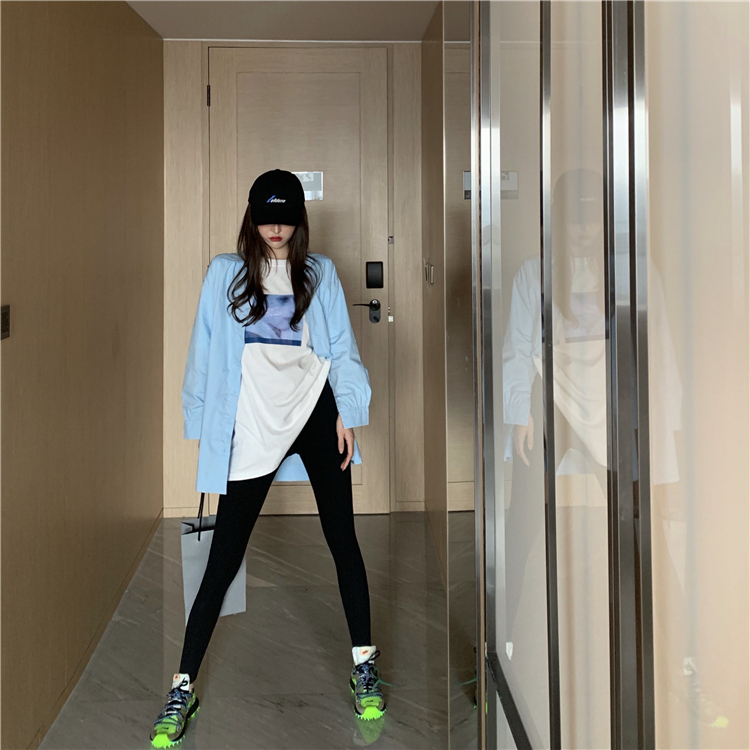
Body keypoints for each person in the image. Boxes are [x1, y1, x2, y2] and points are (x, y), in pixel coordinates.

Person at [150, 169, 386, 749]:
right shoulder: (225, 274)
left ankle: (364, 665)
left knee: (343, 540)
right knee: (224, 557)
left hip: (314, 412)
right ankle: (182, 687)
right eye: (265, 218)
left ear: (299, 220)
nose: (274, 229)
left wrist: (347, 412)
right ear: (251, 218)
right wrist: (203, 425)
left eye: (284, 218)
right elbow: (203, 349)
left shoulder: (319, 273)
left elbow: (341, 349)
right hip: (252, 422)